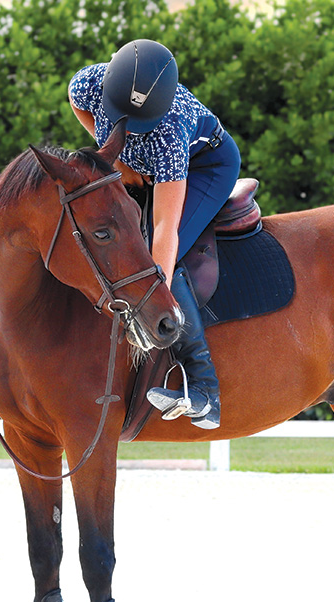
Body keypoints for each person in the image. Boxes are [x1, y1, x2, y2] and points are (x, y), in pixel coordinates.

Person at [68, 39, 240, 430]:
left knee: (158, 253)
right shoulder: (89, 84)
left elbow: (164, 227)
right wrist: (117, 160)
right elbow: (78, 105)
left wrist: (151, 289)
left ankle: (204, 390)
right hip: (142, 163)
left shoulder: (170, 132)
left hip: (204, 166)